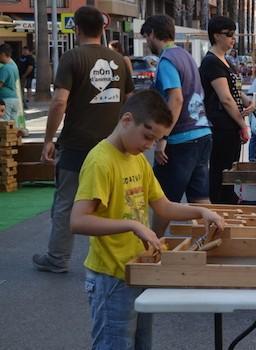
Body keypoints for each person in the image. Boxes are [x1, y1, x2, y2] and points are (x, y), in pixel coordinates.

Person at [71, 90, 225, 349]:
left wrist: (201, 212)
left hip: (138, 270)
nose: (150, 145)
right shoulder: (101, 161)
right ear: (127, 120)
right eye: (147, 136)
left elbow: (163, 206)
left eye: (156, 140)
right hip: (111, 277)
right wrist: (132, 225)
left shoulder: (137, 160)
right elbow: (78, 221)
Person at [33, 6, 134, 273]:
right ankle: (118, 259)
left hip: (77, 145)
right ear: (103, 28)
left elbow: (59, 103)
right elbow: (129, 102)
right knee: (113, 204)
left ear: (76, 28)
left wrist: (48, 139)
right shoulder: (119, 61)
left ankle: (57, 258)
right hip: (111, 145)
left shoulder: (71, 58)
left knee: (66, 202)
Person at [141, 15, 213, 235]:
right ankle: (213, 241)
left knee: (164, 199)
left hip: (181, 137)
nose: (147, 43)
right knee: (200, 198)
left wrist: (162, 137)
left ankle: (151, 248)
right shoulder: (186, 56)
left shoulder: (167, 60)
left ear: (153, 34)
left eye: (146, 38)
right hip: (202, 133)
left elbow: (176, 98)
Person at [199, 16, 256, 204]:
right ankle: (220, 206)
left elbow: (235, 90)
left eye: (234, 34)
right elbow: (225, 98)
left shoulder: (226, 61)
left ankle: (229, 202)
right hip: (221, 124)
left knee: (230, 168)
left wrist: (248, 101)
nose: (233, 39)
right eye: (229, 34)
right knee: (221, 170)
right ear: (216, 36)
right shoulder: (211, 62)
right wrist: (242, 124)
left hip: (231, 124)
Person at [0, 43, 25, 133]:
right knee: (13, 125)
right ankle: (14, 143)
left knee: (4, 124)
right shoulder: (14, 66)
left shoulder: (5, 68)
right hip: (14, 99)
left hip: (6, 100)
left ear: (3, 54)